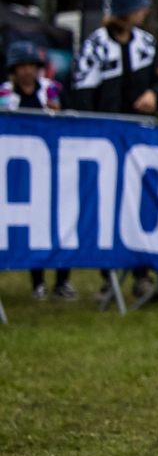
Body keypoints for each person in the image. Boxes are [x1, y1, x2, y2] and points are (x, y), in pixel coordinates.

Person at [69, 0, 158, 300]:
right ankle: (108, 275)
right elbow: (82, 93)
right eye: (139, 7)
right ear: (125, 12)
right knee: (108, 205)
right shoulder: (95, 46)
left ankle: (141, 275)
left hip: (141, 139)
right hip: (106, 140)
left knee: (141, 203)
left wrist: (154, 94)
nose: (145, 11)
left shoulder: (147, 44)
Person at [1, 41, 75, 301]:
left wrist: (59, 114)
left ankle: (63, 282)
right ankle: (38, 283)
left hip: (55, 166)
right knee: (35, 225)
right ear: (14, 69)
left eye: (32, 65)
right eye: (22, 66)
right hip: (21, 170)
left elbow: (74, 121)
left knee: (63, 219)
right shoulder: (4, 94)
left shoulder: (53, 91)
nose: (28, 71)